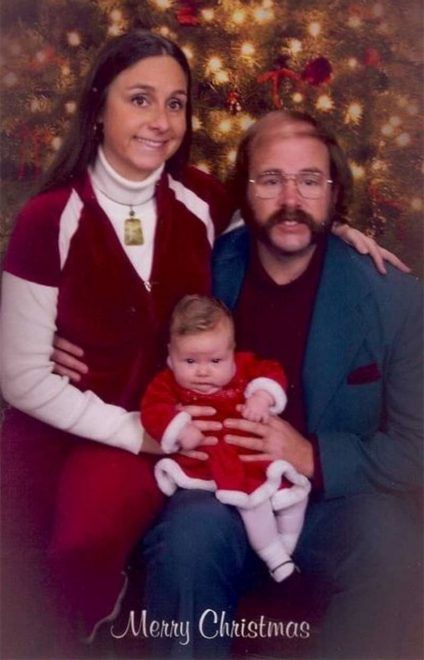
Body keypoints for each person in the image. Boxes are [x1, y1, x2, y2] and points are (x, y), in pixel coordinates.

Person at [1, 27, 410, 655]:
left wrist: (337, 228)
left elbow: (279, 211)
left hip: (227, 452)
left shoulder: (203, 202)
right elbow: (27, 368)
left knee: (389, 551)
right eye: (140, 98)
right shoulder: (57, 218)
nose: (161, 121)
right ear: (99, 106)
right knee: (101, 546)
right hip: (131, 441)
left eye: (175, 103)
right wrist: (128, 418)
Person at [139, 110, 423, 659]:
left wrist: (312, 455)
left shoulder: (396, 300)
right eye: (271, 179)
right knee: (186, 540)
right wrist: (64, 351)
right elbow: (124, 333)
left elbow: (417, 449)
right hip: (220, 491)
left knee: (397, 553)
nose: (291, 199)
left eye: (309, 181)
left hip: (336, 502)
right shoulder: (203, 270)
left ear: (334, 193)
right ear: (246, 192)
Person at [141, 294, 311, 583]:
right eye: (189, 361)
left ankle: (288, 543)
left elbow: (271, 371)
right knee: (252, 501)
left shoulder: (244, 367)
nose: (203, 371)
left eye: (216, 360)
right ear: (171, 355)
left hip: (253, 454)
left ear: (232, 351)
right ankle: (275, 556)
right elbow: (153, 410)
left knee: (293, 494)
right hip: (216, 462)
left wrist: (262, 395)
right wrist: (179, 428)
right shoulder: (166, 383)